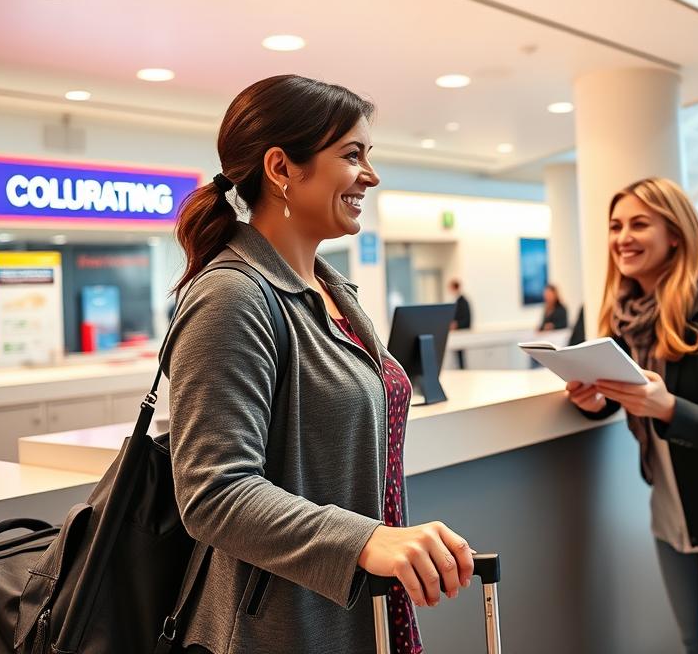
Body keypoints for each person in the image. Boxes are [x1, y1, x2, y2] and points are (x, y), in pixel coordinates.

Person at [165, 75, 474, 653]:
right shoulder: (232, 296)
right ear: (281, 169)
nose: (371, 175)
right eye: (351, 155)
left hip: (357, 610)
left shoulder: (336, 293)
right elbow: (214, 493)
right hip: (282, 629)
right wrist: (364, 541)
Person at [566, 177, 698, 654]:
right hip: (671, 515)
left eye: (639, 224)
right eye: (616, 225)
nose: (623, 237)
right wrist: (594, 404)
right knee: (694, 645)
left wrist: (669, 408)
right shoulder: (626, 317)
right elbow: (625, 395)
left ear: (676, 234)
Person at [449, 278, 472, 368]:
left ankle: (462, 369)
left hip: (462, 332)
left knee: (461, 357)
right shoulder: (457, 301)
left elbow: (467, 319)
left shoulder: (463, 301)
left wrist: (457, 324)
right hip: (457, 333)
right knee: (457, 356)